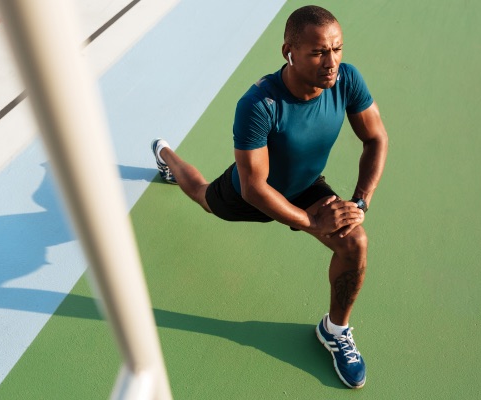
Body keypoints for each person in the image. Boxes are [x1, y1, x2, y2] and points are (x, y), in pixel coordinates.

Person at [150, 5, 388, 389]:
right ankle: (166, 156)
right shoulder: (259, 105)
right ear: (288, 52)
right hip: (250, 194)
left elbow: (376, 138)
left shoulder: (346, 79)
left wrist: (359, 204)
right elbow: (254, 187)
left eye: (337, 49)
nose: (331, 62)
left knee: (354, 242)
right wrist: (310, 221)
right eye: (318, 52)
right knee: (199, 192)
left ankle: (335, 330)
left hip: (306, 185)